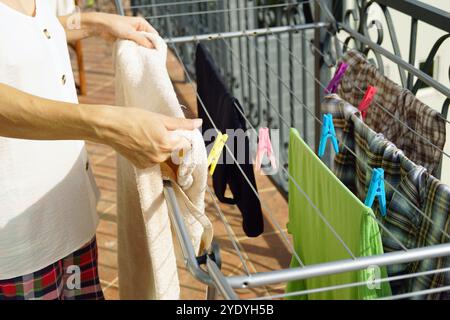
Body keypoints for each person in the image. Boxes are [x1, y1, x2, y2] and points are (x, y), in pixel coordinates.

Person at [0, 0, 201, 300]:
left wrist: (96, 24)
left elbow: (37, 29)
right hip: (19, 241)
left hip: (71, 218)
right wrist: (106, 125)